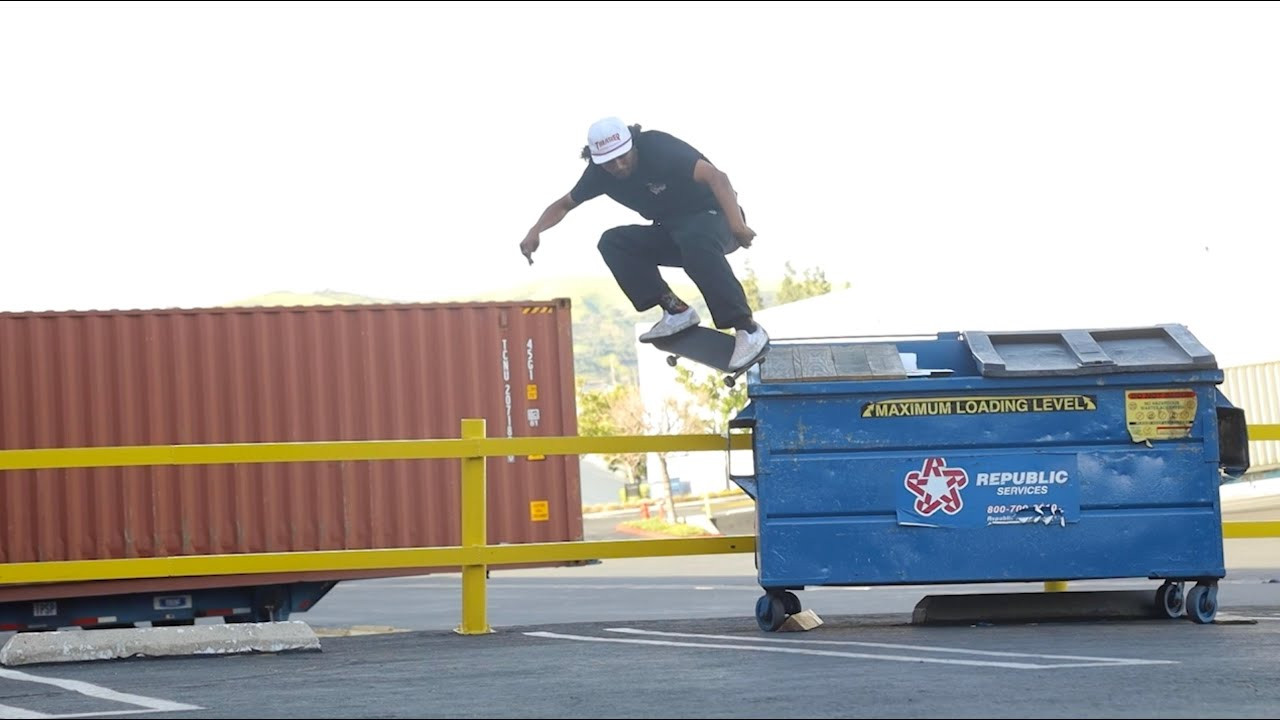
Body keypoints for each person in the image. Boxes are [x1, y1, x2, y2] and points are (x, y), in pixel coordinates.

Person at [519, 117, 769, 372]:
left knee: (693, 237)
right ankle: (676, 309)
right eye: (608, 163)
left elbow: (718, 178)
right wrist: (535, 230)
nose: (618, 166)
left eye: (623, 157)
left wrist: (738, 226)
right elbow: (563, 205)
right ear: (595, 161)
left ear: (632, 144)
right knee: (613, 242)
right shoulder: (598, 176)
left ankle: (747, 329)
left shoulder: (658, 148)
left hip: (718, 219)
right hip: (672, 231)